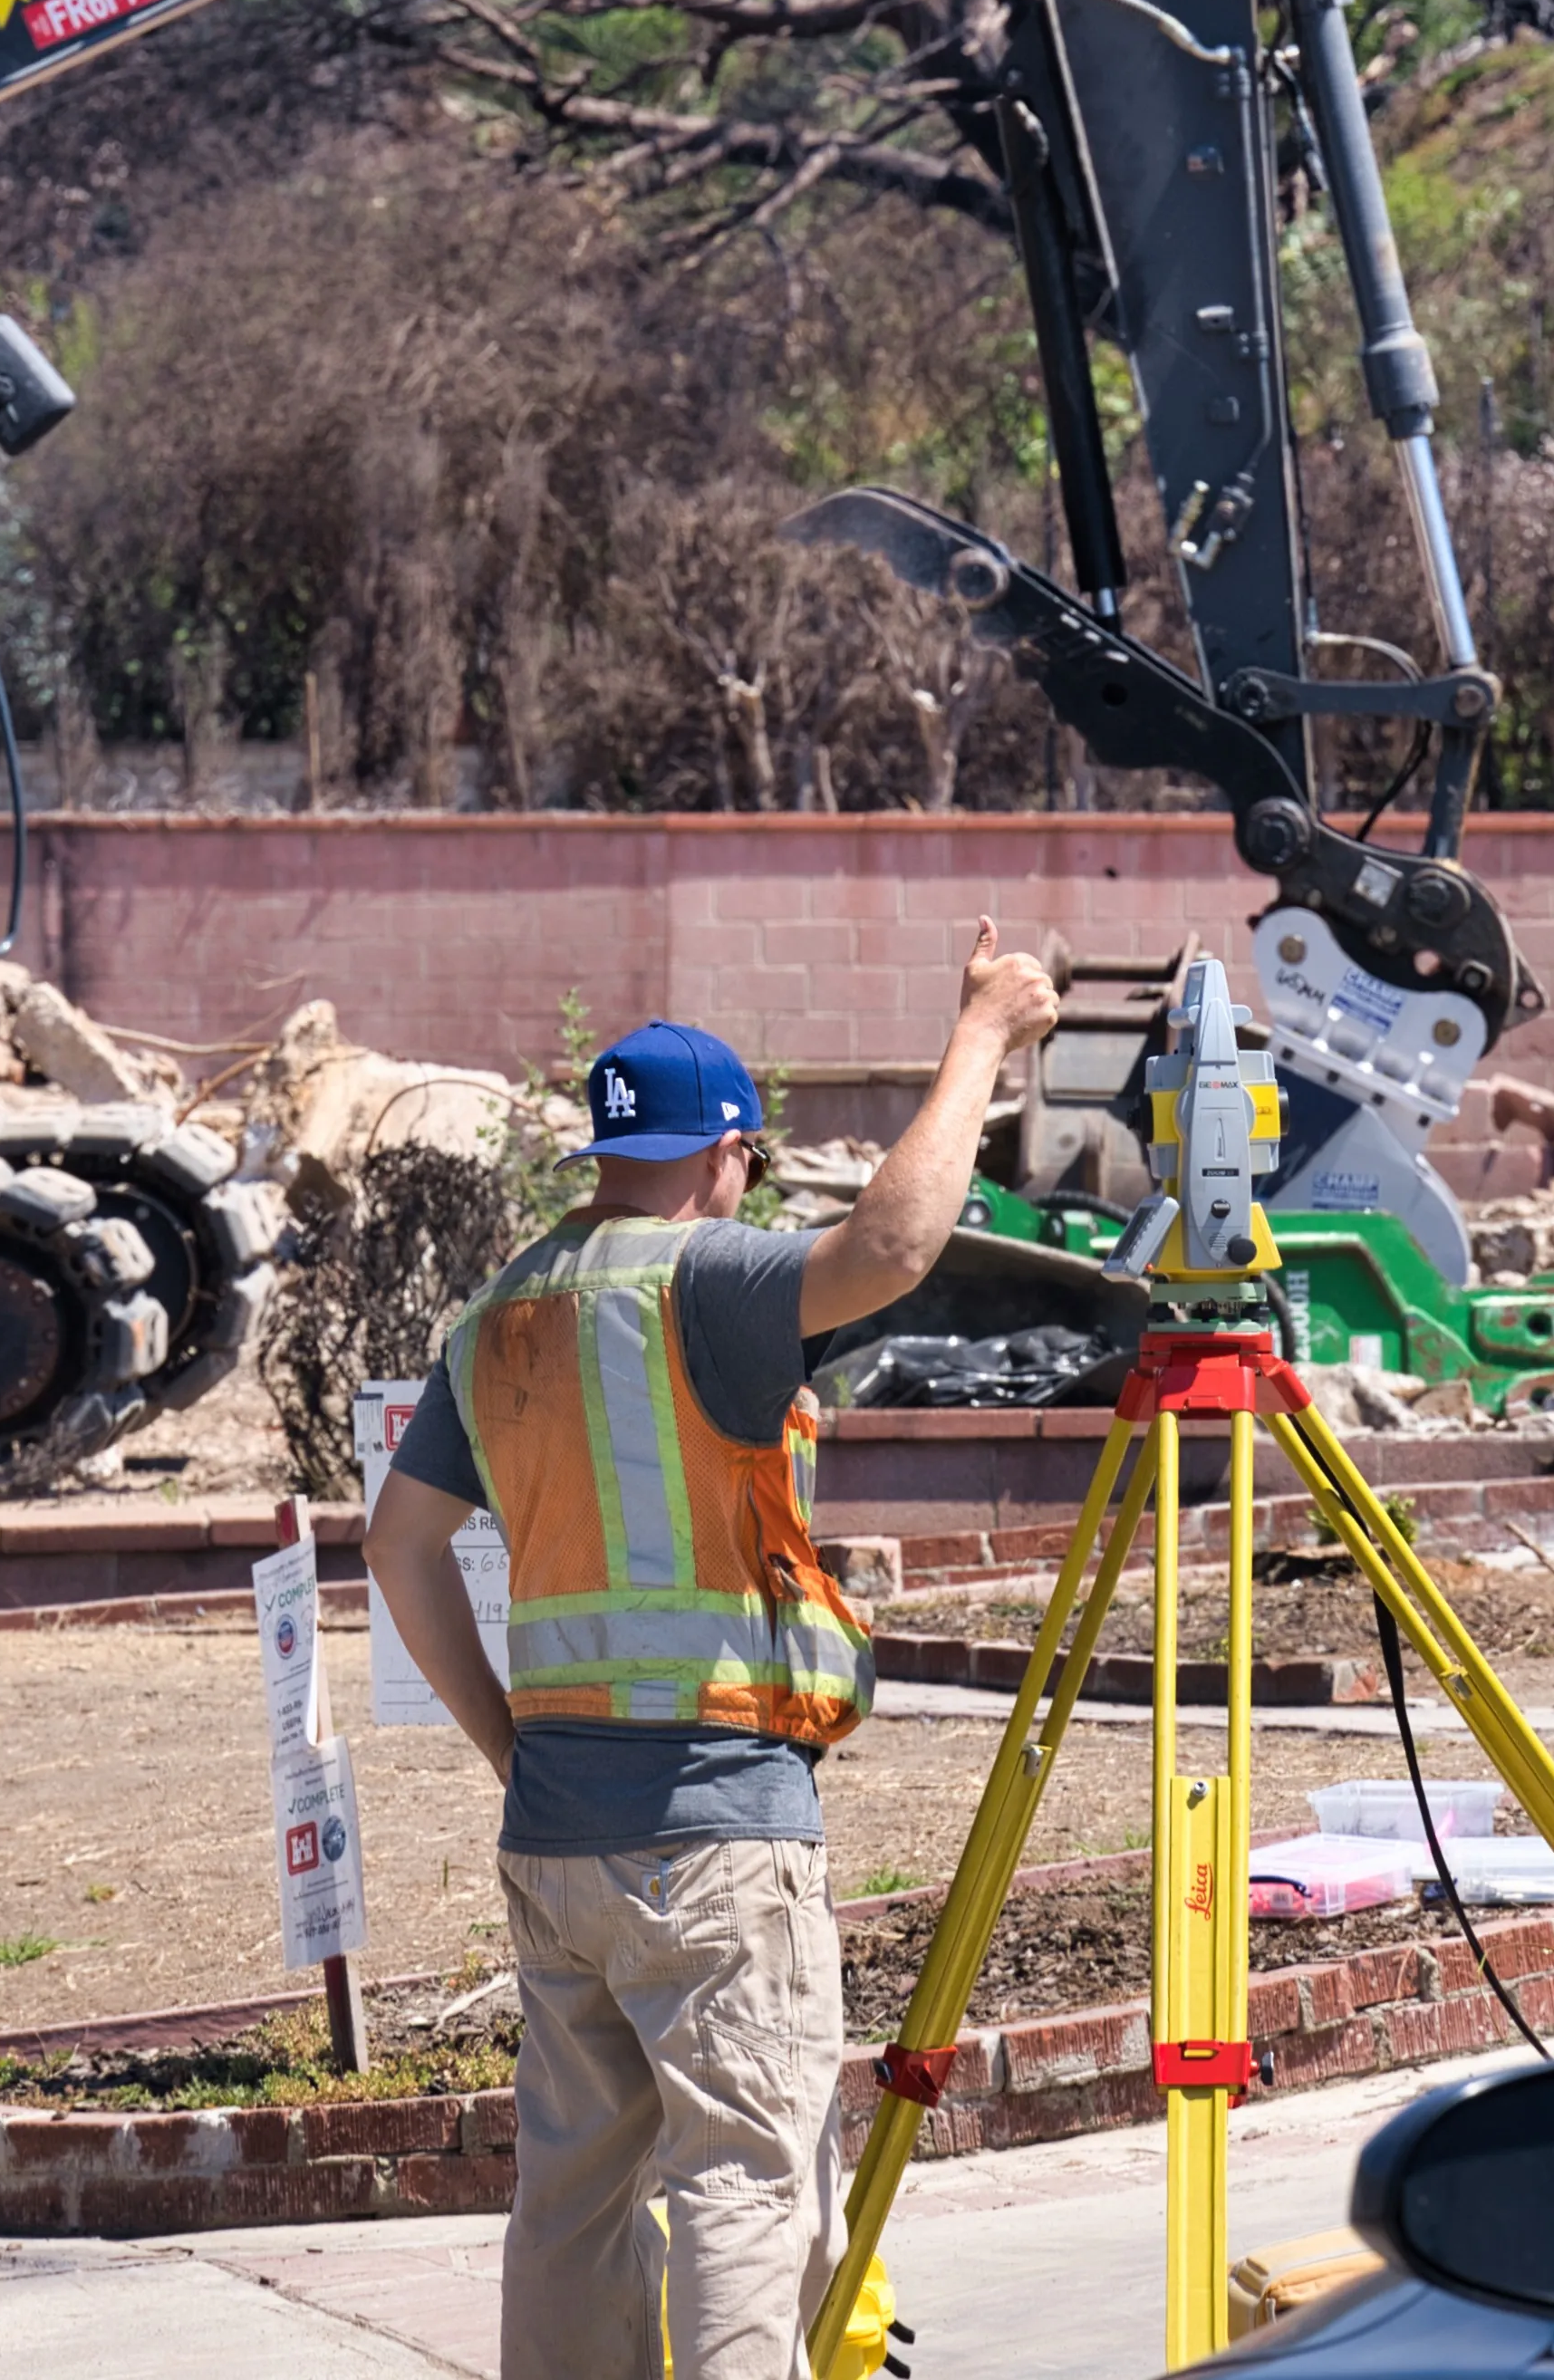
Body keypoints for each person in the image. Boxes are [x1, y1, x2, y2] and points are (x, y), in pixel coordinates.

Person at [362, 918, 1061, 2380]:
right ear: (727, 1150)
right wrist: (982, 1034)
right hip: (714, 1828)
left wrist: (510, 1747)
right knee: (744, 2171)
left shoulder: (500, 1315)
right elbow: (892, 1244)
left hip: (557, 1834)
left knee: (573, 2195)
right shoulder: (713, 1282)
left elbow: (398, 1546)